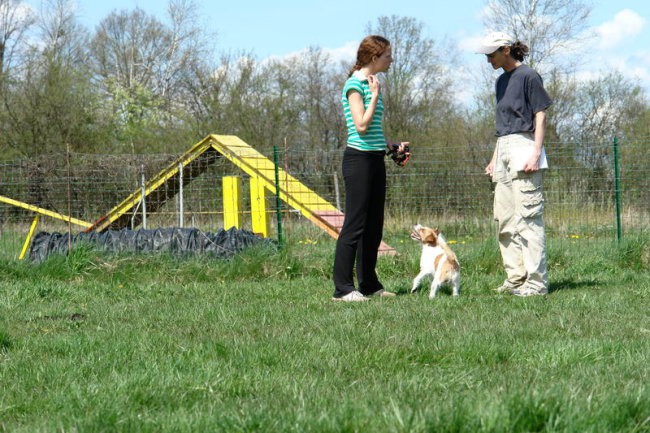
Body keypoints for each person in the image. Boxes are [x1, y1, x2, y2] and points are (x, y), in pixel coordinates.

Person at [332, 35, 410, 302]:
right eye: (388, 55)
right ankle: (342, 288)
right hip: (358, 161)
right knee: (354, 225)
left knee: (374, 226)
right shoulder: (355, 85)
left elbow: (372, 131)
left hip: (375, 157)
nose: (391, 59)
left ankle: (368, 284)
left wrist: (391, 145)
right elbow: (361, 125)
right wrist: (374, 95)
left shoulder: (372, 83)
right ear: (374, 57)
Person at [477, 31, 553, 297]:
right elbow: (502, 127)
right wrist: (494, 158)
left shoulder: (529, 76)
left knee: (529, 220)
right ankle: (516, 278)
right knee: (505, 220)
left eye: (491, 54)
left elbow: (540, 115)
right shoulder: (500, 82)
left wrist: (535, 152)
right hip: (504, 149)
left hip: (525, 146)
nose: (488, 60)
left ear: (506, 50)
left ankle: (536, 283)